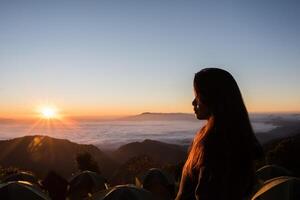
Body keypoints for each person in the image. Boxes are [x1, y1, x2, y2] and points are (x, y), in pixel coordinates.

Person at [175, 68, 264, 200]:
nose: (193, 102)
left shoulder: (216, 144)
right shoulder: (227, 137)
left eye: (198, 95)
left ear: (213, 98)